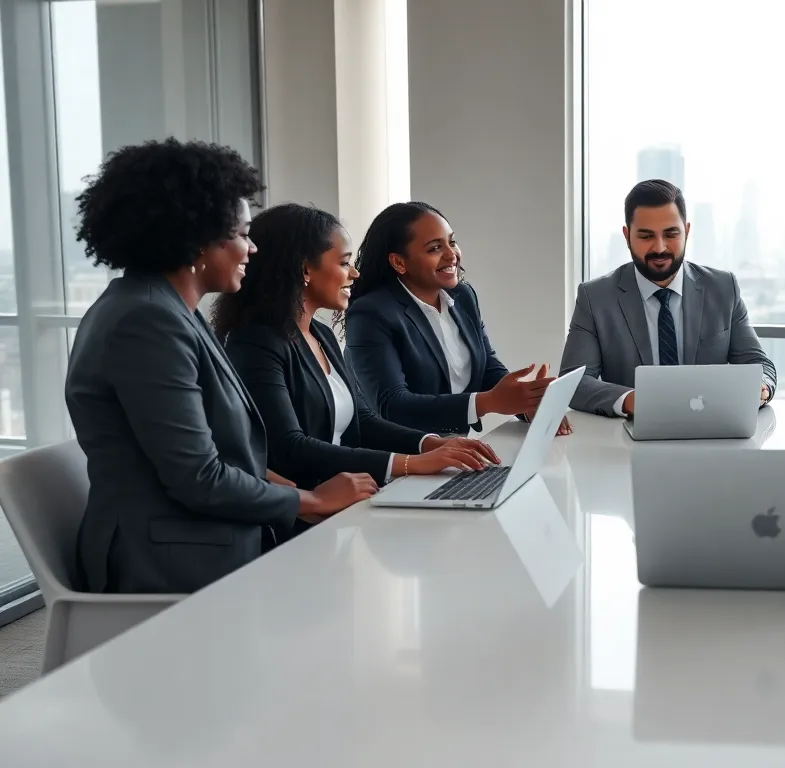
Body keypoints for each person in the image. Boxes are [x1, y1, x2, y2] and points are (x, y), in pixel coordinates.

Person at [65, 139, 377, 595]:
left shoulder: (170, 310)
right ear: (196, 239)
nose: (252, 249)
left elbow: (215, 446)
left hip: (202, 535)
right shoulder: (147, 322)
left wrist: (281, 487)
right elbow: (198, 476)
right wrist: (308, 499)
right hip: (170, 557)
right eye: (241, 234)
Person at [212, 203, 502, 497]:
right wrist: (409, 464)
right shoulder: (255, 343)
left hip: (353, 497)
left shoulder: (320, 334)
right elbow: (290, 447)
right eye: (343, 263)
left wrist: (430, 443)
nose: (354, 273)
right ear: (305, 270)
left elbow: (363, 421)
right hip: (305, 512)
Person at [341, 202, 569, 436]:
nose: (452, 255)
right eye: (434, 248)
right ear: (399, 262)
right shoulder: (371, 314)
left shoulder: (462, 296)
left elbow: (486, 365)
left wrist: (526, 401)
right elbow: (392, 405)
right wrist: (488, 402)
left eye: (452, 242)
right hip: (398, 459)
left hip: (455, 450)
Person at [560, 179, 777, 417]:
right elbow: (575, 384)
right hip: (627, 440)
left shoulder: (723, 289)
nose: (660, 247)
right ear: (627, 235)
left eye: (671, 233)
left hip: (712, 435)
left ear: (687, 230)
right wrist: (632, 400)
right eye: (646, 236)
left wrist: (761, 388)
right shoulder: (595, 298)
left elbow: (759, 365)